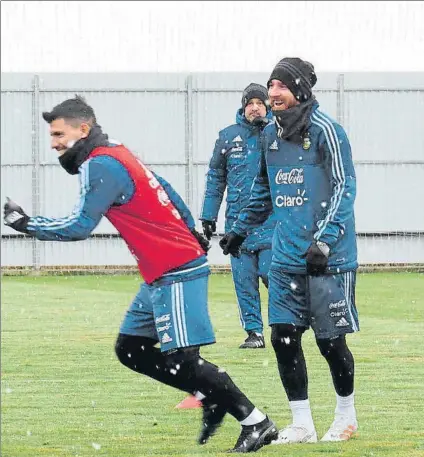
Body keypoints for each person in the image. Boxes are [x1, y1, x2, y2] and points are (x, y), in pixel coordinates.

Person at [3, 96, 278, 453]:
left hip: (176, 266)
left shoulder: (100, 164)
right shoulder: (115, 151)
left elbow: (79, 226)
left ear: (82, 129)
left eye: (58, 133)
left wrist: (25, 224)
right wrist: (190, 225)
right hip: (161, 268)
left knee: (183, 359)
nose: (53, 143)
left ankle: (256, 422)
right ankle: (207, 395)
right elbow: (163, 185)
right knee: (131, 348)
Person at [220, 58, 359, 443]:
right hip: (285, 256)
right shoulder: (269, 136)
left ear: (300, 90)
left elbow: (344, 188)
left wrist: (325, 240)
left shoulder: (328, 131)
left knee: (330, 342)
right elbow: (263, 191)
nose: (273, 92)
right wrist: (239, 231)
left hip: (327, 259)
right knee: (283, 336)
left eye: (281, 85)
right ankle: (302, 423)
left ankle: (346, 416)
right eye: (271, 85)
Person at [200, 83, 275, 349]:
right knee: (244, 282)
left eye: (260, 102)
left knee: (271, 275)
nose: (255, 107)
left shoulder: (278, 135)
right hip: (236, 226)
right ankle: (254, 333)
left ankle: (283, 326)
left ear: (267, 106)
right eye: (250, 103)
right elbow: (215, 179)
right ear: (243, 107)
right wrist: (208, 215)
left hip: (270, 224)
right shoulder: (228, 137)